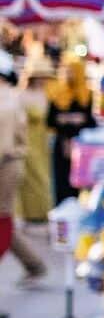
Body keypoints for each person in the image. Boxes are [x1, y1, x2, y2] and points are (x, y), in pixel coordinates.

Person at [0, 53, 49, 295]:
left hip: (6, 165)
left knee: (3, 220)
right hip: (13, 162)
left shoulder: (6, 99)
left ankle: (35, 264)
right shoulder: (12, 96)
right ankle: (34, 264)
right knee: (4, 220)